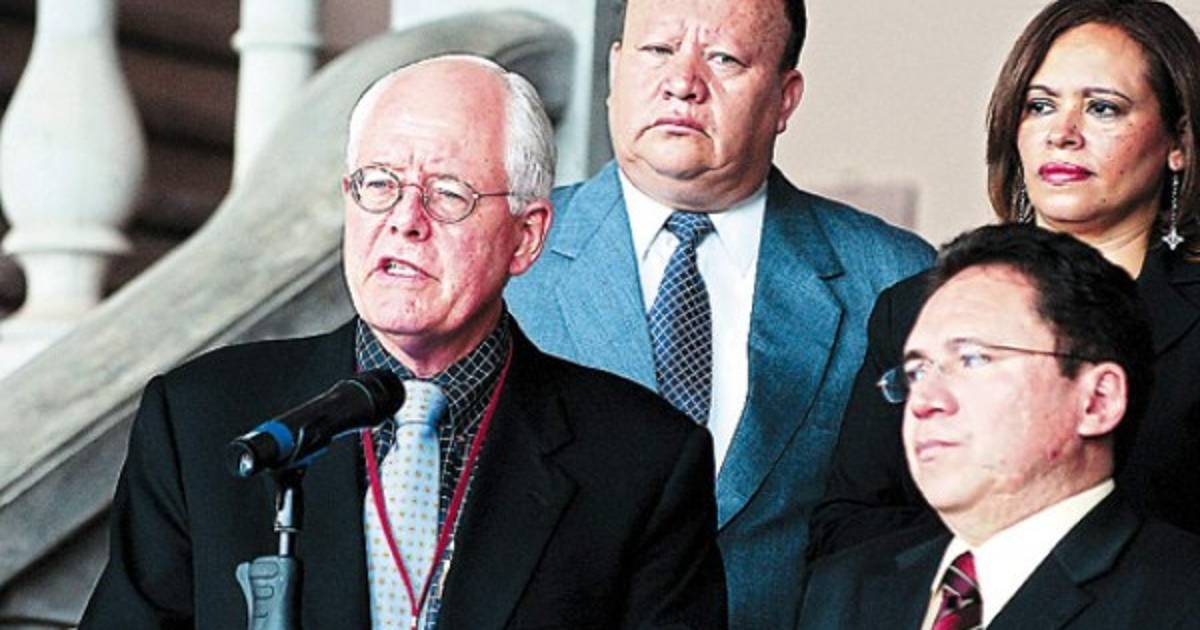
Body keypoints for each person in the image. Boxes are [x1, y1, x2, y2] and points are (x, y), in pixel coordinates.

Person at [79, 55, 727, 629]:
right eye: (380, 184)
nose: (404, 221)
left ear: (526, 237)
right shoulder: (201, 417)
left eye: (448, 194)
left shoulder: (642, 463)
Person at [503, 0, 933, 625]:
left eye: (724, 58)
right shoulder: (508, 255)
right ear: (615, 70)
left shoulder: (892, 278)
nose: (683, 83)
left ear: (785, 98)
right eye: (658, 51)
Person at [809, 0, 1200, 560]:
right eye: (1040, 106)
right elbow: (848, 530)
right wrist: (1006, 570)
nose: (1062, 133)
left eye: (1103, 108)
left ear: (1178, 141)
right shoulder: (913, 308)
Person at [798, 224, 1200, 629]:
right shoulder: (843, 589)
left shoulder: (1180, 600)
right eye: (917, 371)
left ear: (1097, 400)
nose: (924, 401)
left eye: (973, 360)